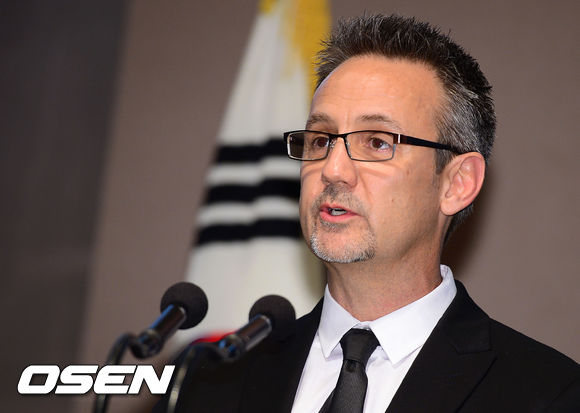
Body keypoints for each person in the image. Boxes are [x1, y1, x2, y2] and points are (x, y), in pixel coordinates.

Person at [156, 14, 579, 413]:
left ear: (457, 183)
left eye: (377, 142)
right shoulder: (208, 382)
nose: (332, 170)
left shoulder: (548, 394)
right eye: (321, 140)